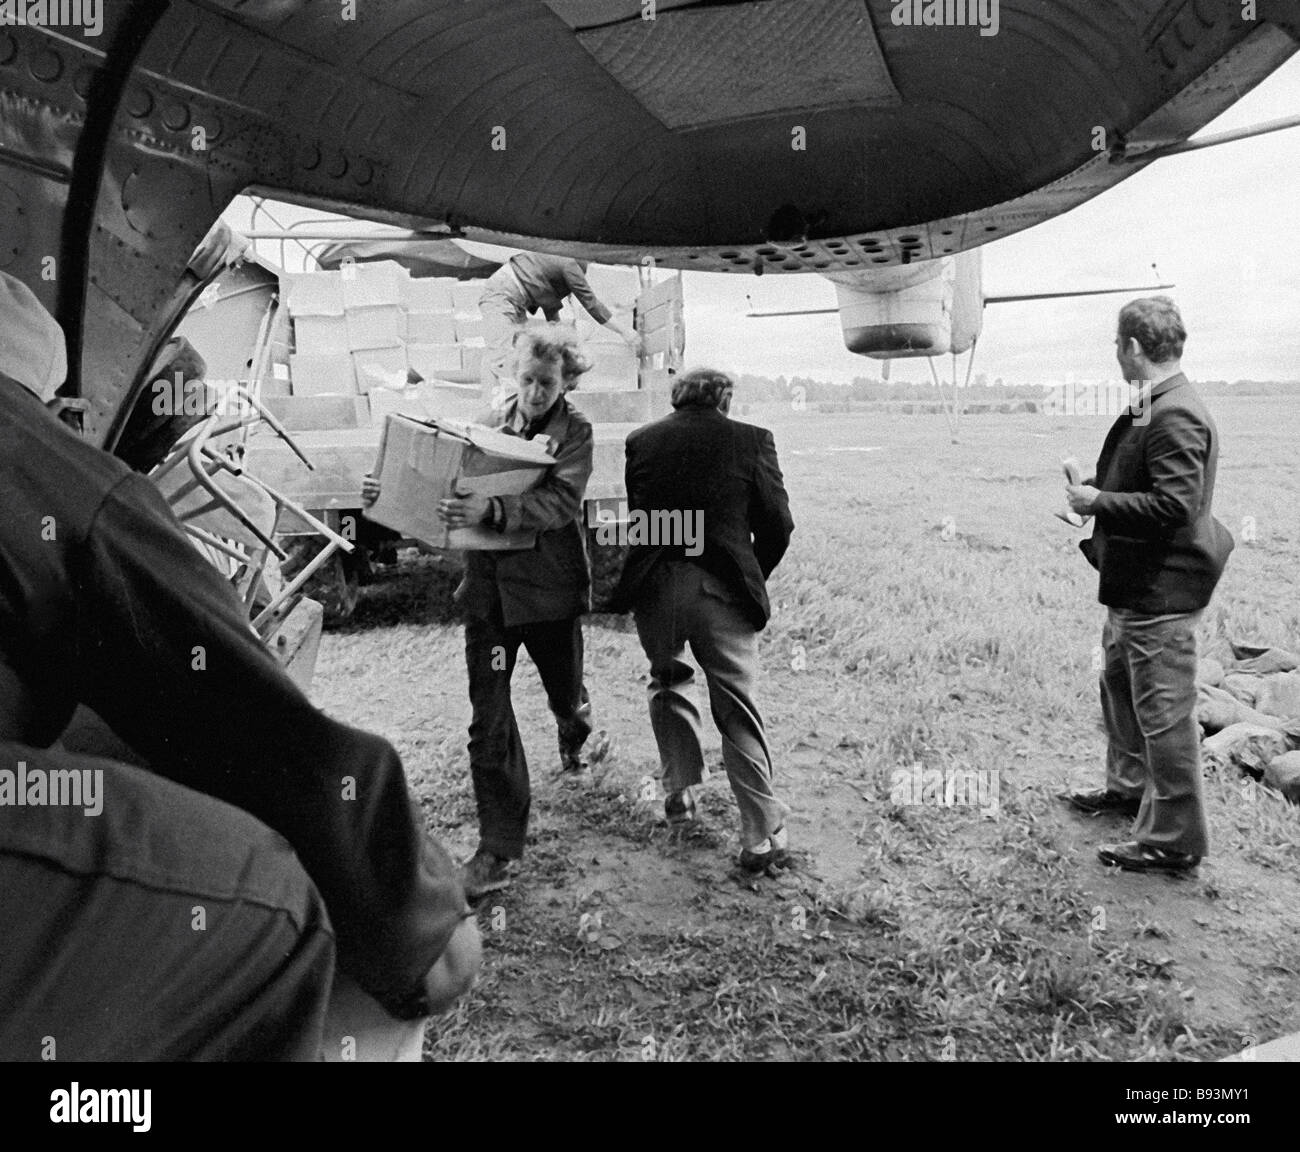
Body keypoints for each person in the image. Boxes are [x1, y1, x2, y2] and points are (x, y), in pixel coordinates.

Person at [0, 270, 480, 1060]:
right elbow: (245, 718)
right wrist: (416, 922)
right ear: (45, 405)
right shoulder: (38, 460)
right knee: (271, 908)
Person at [364, 322, 602, 902]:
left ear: (566, 382)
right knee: (488, 719)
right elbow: (446, 496)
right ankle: (497, 851)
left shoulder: (576, 433)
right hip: (490, 597)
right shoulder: (488, 426)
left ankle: (573, 723)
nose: (536, 393)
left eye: (548, 383)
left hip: (547, 597)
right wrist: (386, 494)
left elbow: (560, 501)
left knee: (564, 691)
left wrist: (493, 509)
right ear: (514, 375)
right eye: (528, 380)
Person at [1062, 296, 1234, 875]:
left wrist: (1098, 502)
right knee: (1120, 690)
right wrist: (1095, 488)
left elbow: (1175, 505)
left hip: (1160, 594)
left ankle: (1174, 840)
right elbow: (1149, 479)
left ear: (1133, 346)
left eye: (1117, 344)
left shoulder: (1175, 412)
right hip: (1134, 588)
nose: (1116, 354)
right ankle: (1128, 789)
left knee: (1164, 715)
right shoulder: (1157, 402)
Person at [610, 367, 795, 872]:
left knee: (668, 681)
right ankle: (760, 835)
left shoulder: (641, 441)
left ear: (677, 400)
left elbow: (646, 521)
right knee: (736, 705)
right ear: (724, 401)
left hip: (657, 588)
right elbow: (778, 525)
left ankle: (679, 794)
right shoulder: (753, 440)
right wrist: (750, 574)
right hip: (720, 591)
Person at [478, 252, 640, 405]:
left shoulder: (549, 267)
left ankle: (511, 407)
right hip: (502, 294)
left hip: (514, 298)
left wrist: (566, 349)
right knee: (499, 358)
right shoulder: (569, 266)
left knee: (521, 353)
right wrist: (625, 331)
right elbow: (591, 304)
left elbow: (553, 318)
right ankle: (493, 408)